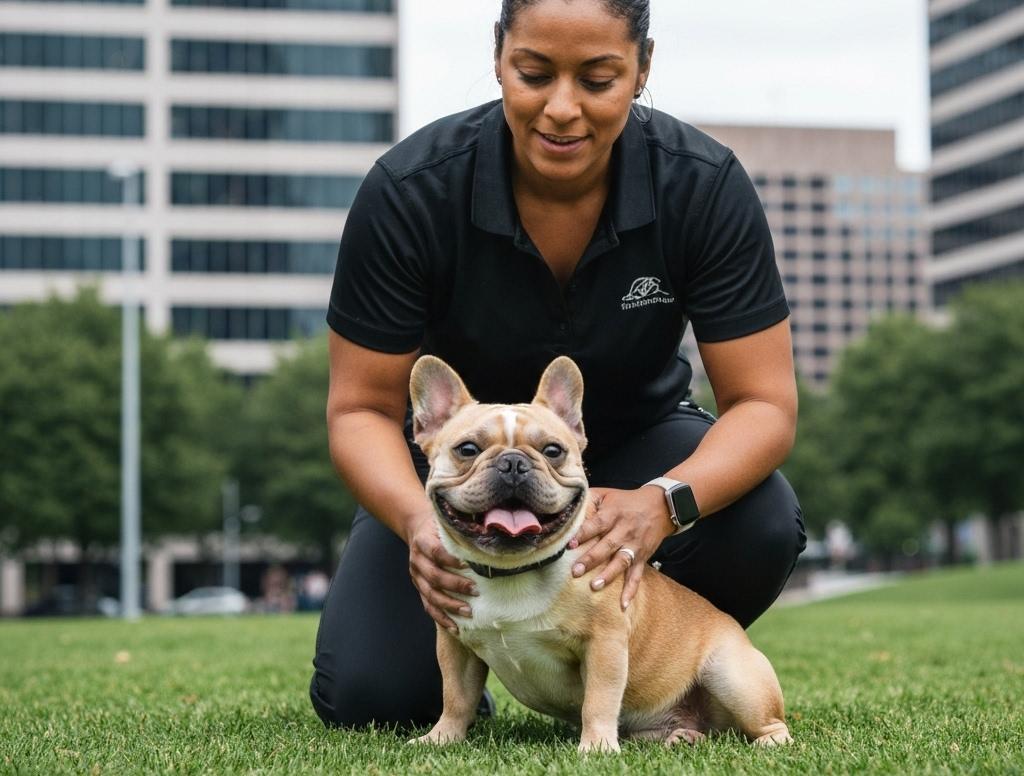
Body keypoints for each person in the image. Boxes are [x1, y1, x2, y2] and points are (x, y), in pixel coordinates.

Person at [310, 0, 806, 729]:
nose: (563, 109)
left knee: (762, 520)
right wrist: (421, 519)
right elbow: (360, 409)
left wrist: (662, 503)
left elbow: (765, 404)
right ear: (499, 60)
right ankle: (484, 665)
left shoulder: (702, 184)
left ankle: (646, 674)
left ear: (643, 70)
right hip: (459, 463)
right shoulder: (410, 191)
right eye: (534, 74)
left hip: (642, 442)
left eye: (598, 78)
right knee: (372, 698)